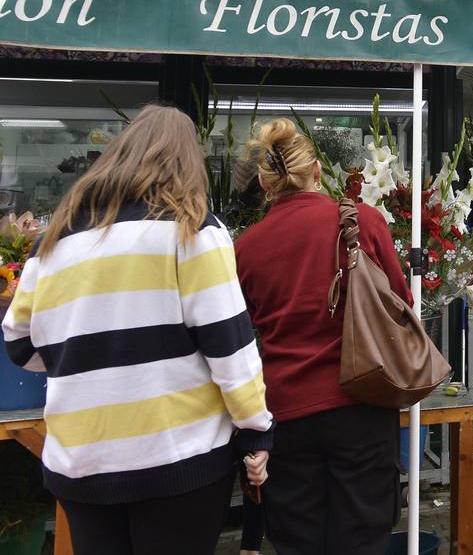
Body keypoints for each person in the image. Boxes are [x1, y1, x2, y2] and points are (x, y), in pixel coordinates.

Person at [0, 104, 272, 555]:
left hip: (80, 459)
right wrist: (256, 428)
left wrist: (88, 363)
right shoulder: (193, 231)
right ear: (188, 163)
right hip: (176, 458)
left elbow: (18, 341)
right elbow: (230, 348)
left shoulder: (56, 240)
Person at [234, 119, 413, 555]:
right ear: (317, 171)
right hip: (362, 402)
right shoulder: (363, 223)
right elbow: (402, 304)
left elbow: (240, 333)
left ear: (264, 181)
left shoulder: (246, 248)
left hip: (286, 414)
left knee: (297, 542)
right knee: (364, 539)